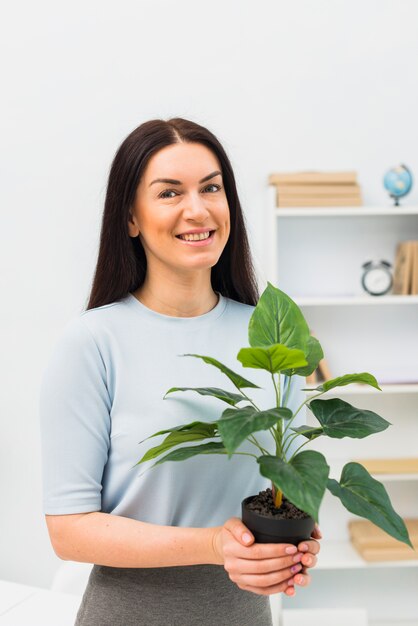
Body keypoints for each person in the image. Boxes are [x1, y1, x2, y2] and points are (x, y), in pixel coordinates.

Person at [39, 117, 321, 626]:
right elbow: (69, 529)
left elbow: (287, 483)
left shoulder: (273, 338)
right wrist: (215, 543)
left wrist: (292, 548)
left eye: (211, 188)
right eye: (170, 193)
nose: (198, 209)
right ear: (131, 217)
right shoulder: (92, 343)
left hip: (246, 616)